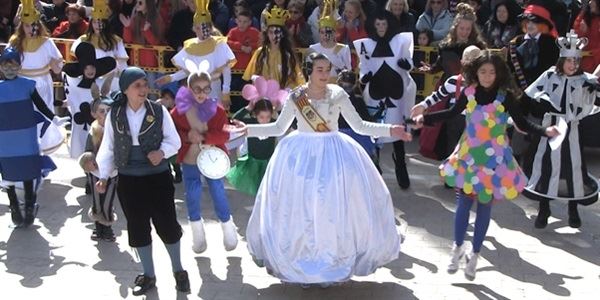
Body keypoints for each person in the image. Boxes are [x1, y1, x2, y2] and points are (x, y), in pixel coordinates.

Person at [234, 52, 412, 286]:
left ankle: (332, 259)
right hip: (301, 157)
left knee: (331, 209)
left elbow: (359, 126)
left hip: (334, 155)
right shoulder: (296, 97)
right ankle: (301, 257)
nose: (325, 74)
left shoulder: (337, 94)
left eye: (328, 69)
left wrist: (391, 130)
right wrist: (248, 129)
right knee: (303, 209)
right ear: (309, 71)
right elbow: (278, 128)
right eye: (320, 69)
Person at [412, 50, 560, 280]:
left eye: (492, 71)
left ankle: (475, 254)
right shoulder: (469, 93)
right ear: (475, 72)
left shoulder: (505, 97)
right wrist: (426, 118)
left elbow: (522, 123)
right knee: (462, 204)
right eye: (483, 71)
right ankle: (458, 247)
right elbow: (451, 113)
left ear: (499, 73)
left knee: (484, 206)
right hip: (469, 156)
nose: (488, 76)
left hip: (495, 160)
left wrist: (545, 131)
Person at [95, 67, 190, 296]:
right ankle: (148, 275)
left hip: (157, 177)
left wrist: (162, 152)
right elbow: (108, 147)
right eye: (137, 85)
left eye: (145, 84)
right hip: (129, 179)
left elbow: (174, 141)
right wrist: (104, 176)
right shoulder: (115, 115)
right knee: (137, 227)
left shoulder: (158, 111)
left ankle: (179, 271)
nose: (143, 89)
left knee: (167, 225)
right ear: (125, 89)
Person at [523, 30, 600, 229]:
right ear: (561, 61)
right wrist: (543, 105)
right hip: (551, 129)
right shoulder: (550, 75)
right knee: (546, 167)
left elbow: (592, 101)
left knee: (573, 168)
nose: (573, 65)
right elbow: (532, 95)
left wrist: (593, 91)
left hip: (573, 131)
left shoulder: (584, 80)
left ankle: (573, 209)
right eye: (569, 61)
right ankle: (544, 208)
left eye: (576, 61)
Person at [170, 69, 238, 253]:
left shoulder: (217, 110)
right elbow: (171, 130)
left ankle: (228, 227)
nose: (201, 93)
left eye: (206, 89)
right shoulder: (179, 111)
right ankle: (197, 234)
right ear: (189, 89)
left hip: (212, 158)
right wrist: (187, 135)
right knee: (192, 192)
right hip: (190, 156)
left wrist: (205, 137)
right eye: (197, 89)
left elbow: (225, 133)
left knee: (217, 190)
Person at [0, 47, 68, 228]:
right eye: (6, 66)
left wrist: (54, 118)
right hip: (5, 138)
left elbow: (41, 104)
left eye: (13, 65)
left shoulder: (27, 85)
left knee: (28, 170)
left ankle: (29, 205)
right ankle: (14, 205)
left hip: (26, 136)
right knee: (8, 172)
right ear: (1, 67)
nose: (9, 69)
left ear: (19, 66)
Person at [354, 11, 416, 189]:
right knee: (376, 133)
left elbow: (408, 61)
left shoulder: (400, 42)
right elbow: (364, 67)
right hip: (376, 94)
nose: (381, 28)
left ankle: (401, 166)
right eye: (378, 24)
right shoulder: (366, 45)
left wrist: (407, 65)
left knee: (397, 132)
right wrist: (365, 78)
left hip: (396, 94)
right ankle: (375, 170)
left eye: (384, 24)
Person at [156, 0, 236, 110]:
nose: (199, 31)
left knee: (214, 116)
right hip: (196, 88)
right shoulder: (191, 46)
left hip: (213, 87)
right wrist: (171, 78)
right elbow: (188, 70)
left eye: (201, 28)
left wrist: (226, 91)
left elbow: (226, 70)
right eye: (197, 28)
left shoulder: (218, 45)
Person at [9, 0, 65, 153]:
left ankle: (43, 149)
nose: (29, 29)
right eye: (26, 25)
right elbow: (8, 63)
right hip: (21, 84)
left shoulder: (46, 42)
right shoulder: (15, 42)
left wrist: (55, 65)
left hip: (42, 84)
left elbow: (58, 64)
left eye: (32, 25)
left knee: (42, 115)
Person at [411, 45, 481, 163]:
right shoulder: (453, 81)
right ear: (462, 62)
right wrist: (422, 105)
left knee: (472, 156)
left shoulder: (484, 83)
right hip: (454, 122)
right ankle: (451, 177)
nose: (472, 63)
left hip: (476, 124)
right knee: (453, 154)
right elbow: (437, 95)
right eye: (469, 59)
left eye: (476, 59)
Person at [226, 76, 285, 196]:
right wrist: (249, 107)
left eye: (268, 117)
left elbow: (282, 126)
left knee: (268, 190)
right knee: (257, 191)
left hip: (268, 162)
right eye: (262, 117)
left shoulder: (274, 124)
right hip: (252, 162)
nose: (265, 120)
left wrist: (277, 109)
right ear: (255, 115)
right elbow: (235, 118)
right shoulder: (251, 123)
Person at [79, 78, 118, 241]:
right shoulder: (93, 131)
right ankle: (98, 227)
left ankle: (107, 227)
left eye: (109, 111)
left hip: (111, 173)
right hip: (96, 171)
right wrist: (88, 160)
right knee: (97, 200)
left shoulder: (116, 130)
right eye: (102, 111)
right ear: (94, 114)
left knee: (107, 201)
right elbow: (88, 150)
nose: (105, 115)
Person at [63, 42, 116, 159]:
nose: (90, 70)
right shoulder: (74, 85)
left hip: (99, 124)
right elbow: (72, 99)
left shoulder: (102, 83)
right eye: (86, 67)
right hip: (82, 123)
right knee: (83, 144)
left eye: (92, 67)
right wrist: (64, 103)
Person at [243, 5, 304, 89]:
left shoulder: (288, 54)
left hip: (282, 96)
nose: (274, 36)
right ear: (267, 34)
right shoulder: (260, 52)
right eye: (271, 32)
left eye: (277, 32)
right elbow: (254, 77)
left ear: (282, 34)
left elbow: (295, 79)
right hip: (264, 96)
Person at [72, 0, 129, 91]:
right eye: (94, 22)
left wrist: (125, 81)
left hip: (111, 81)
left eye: (101, 22)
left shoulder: (115, 40)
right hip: (91, 81)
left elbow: (122, 64)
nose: (98, 25)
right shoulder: (83, 40)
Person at [308, 0, 352, 83]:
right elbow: (309, 74)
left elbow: (348, 72)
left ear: (335, 33)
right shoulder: (313, 49)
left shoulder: (344, 49)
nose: (325, 35)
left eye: (328, 32)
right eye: (322, 32)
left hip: (337, 86)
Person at [573, 0, 600, 73]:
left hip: (594, 63)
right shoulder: (587, 16)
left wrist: (587, 53)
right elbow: (576, 32)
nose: (590, 3)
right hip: (581, 59)